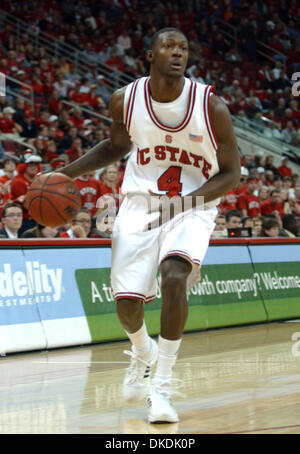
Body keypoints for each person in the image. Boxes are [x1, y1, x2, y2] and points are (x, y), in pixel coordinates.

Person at [55, 28, 240, 423]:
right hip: (140, 201)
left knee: (174, 275)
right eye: (168, 47)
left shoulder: (211, 107)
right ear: (150, 55)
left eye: (184, 48)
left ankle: (162, 387)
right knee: (126, 306)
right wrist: (63, 175)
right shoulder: (125, 99)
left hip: (194, 202)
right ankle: (142, 351)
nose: (177, 53)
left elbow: (231, 174)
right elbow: (117, 147)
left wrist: (185, 204)